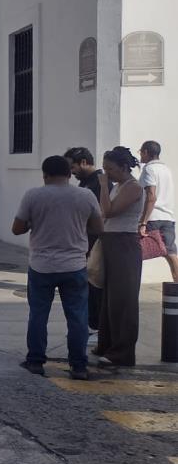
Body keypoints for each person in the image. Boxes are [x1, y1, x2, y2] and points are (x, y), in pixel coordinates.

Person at [12, 156, 103, 380]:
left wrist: (35, 223)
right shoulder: (85, 195)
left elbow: (17, 228)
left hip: (41, 265)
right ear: (69, 174)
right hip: (74, 265)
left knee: (38, 314)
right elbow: (98, 227)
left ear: (45, 175)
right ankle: (78, 366)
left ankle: (35, 361)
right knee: (77, 317)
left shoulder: (34, 195)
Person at [95, 146, 145, 368]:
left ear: (124, 167)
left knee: (123, 299)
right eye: (105, 168)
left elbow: (109, 211)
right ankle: (107, 343)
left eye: (111, 169)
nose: (107, 173)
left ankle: (122, 351)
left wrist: (104, 186)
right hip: (111, 241)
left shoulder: (133, 187)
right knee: (109, 298)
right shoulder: (119, 186)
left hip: (124, 244)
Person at [66, 147, 108, 339]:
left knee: (94, 286)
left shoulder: (98, 184)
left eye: (72, 166)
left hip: (95, 243)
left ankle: (96, 327)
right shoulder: (85, 184)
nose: (71, 171)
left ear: (83, 162)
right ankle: (91, 325)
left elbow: (101, 215)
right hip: (83, 242)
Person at [138, 141, 177, 282]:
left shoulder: (149, 170)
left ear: (146, 152)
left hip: (152, 218)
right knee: (171, 254)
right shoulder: (166, 170)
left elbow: (151, 196)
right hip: (168, 217)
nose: (140, 155)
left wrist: (143, 222)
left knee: (136, 253)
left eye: (141, 152)